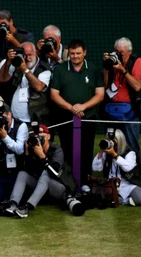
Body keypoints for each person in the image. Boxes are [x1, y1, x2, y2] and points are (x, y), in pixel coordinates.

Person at [50, 39, 104, 185]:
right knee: (67, 151)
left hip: (88, 117)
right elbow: (54, 94)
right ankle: (69, 184)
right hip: (65, 118)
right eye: (72, 54)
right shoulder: (60, 70)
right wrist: (71, 108)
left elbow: (100, 94)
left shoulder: (93, 70)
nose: (75, 56)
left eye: (78, 53)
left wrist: (83, 107)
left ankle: (86, 184)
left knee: (86, 151)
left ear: (84, 53)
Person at [5, 124, 78, 218]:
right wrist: (27, 153)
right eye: (37, 134)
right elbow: (28, 170)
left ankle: (27, 207)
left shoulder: (57, 149)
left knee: (45, 174)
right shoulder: (34, 148)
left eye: (42, 133)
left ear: (48, 136)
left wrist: (43, 156)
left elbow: (55, 173)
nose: (39, 136)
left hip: (59, 186)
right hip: (42, 187)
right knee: (22, 174)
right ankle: (13, 204)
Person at [102, 37, 141, 161]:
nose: (118, 54)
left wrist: (122, 70)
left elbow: (137, 86)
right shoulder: (112, 63)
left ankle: (135, 174)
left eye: (121, 52)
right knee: (110, 143)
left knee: (131, 145)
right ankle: (111, 174)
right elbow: (105, 86)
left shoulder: (136, 62)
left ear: (129, 52)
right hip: (111, 109)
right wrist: (106, 66)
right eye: (116, 51)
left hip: (130, 111)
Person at [93, 129, 141, 206]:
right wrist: (102, 149)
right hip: (111, 184)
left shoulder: (129, 153)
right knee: (101, 199)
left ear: (119, 140)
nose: (110, 143)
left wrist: (114, 155)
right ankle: (127, 201)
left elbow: (127, 168)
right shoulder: (106, 152)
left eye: (113, 140)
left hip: (129, 184)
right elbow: (96, 168)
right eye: (108, 140)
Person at [0, 42, 51, 125]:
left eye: (30, 54)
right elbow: (1, 79)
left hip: (34, 120)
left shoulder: (44, 69)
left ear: (36, 52)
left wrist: (25, 70)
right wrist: (8, 61)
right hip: (15, 119)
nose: (28, 58)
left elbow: (39, 87)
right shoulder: (17, 64)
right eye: (25, 55)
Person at [0, 98, 28, 201]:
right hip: (1, 171)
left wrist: (5, 137)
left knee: (14, 199)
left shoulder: (21, 126)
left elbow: (19, 149)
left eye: (3, 117)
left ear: (9, 115)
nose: (1, 121)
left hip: (17, 171)